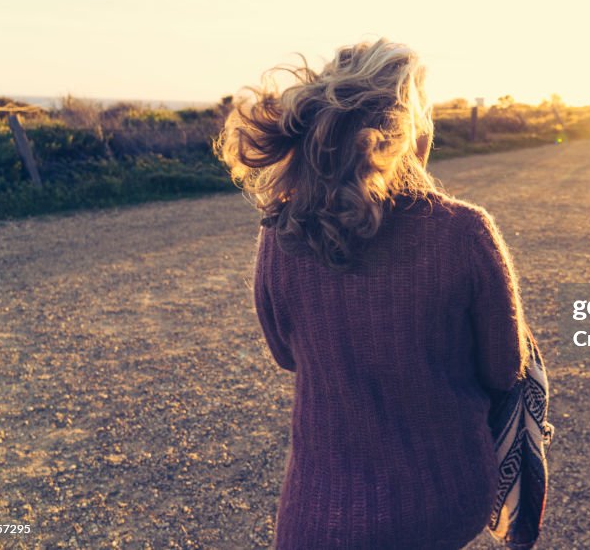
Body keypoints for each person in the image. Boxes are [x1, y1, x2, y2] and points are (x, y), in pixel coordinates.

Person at [218, 39, 534, 549]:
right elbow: (505, 369)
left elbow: (285, 355)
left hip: (318, 515)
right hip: (442, 500)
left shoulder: (283, 230)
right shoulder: (464, 233)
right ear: (408, 129)